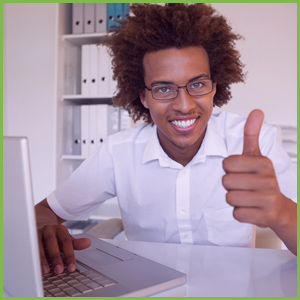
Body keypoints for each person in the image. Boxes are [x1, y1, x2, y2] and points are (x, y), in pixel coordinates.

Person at [35, 3, 297, 275]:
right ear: (143, 97)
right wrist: (45, 230)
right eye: (163, 88)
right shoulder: (119, 152)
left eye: (197, 84)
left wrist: (281, 212)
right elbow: (46, 210)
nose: (184, 105)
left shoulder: (255, 143)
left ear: (214, 87)